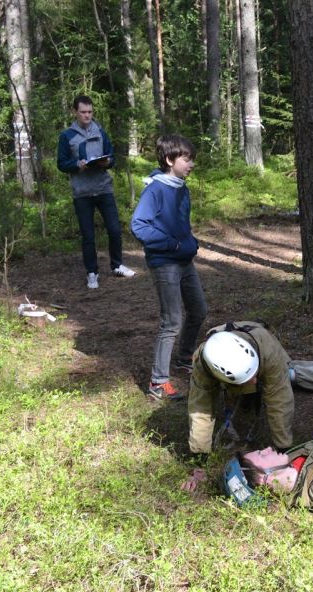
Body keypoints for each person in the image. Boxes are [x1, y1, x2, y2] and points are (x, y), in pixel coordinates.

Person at [181, 322, 313, 491]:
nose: (254, 381)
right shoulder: (203, 366)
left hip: (264, 349)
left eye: (255, 374)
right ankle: (242, 393)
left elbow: (280, 401)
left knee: (290, 376)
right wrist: (199, 461)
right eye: (247, 379)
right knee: (244, 400)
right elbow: (200, 411)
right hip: (225, 370)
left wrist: (284, 448)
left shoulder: (267, 349)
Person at [131, 134, 207, 401]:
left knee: (198, 310)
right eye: (186, 159)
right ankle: (158, 382)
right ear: (169, 160)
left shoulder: (181, 187)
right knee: (172, 320)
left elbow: (180, 223)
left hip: (184, 260)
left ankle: (184, 359)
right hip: (165, 263)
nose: (191, 164)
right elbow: (138, 225)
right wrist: (171, 245)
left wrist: (189, 242)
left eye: (192, 159)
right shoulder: (155, 189)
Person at [56, 94, 136, 289]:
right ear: (75, 112)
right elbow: (61, 163)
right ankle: (92, 273)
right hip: (82, 193)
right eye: (83, 112)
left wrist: (107, 162)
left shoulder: (100, 131)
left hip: (103, 189)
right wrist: (77, 165)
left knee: (115, 230)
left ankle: (117, 265)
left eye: (90, 112)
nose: (87, 115)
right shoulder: (67, 136)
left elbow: (111, 156)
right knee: (88, 236)